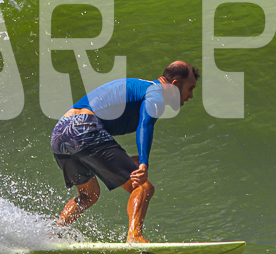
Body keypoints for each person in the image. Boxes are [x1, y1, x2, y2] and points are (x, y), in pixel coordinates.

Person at [50, 60, 198, 243]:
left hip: (60, 133)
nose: (191, 96)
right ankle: (134, 236)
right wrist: (143, 164)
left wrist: (128, 161)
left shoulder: (143, 87)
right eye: (190, 88)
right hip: (84, 128)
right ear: (175, 84)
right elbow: (145, 125)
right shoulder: (156, 94)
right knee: (143, 187)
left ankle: (54, 236)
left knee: (89, 195)